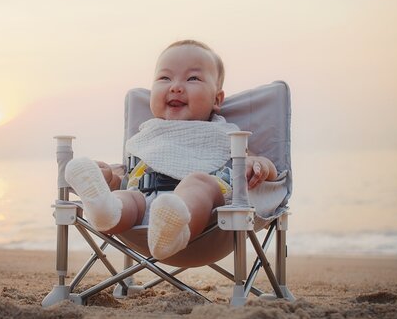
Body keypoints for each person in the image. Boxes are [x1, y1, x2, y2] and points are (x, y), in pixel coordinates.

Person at [65, 40, 278, 260]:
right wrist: (107, 177)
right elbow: (129, 176)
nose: (175, 86)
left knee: (199, 183)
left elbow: (269, 169)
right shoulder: (149, 134)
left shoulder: (225, 133)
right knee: (127, 197)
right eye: (164, 78)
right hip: (144, 206)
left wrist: (259, 165)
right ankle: (106, 212)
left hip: (205, 223)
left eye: (193, 78)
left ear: (216, 99)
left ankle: (174, 224)